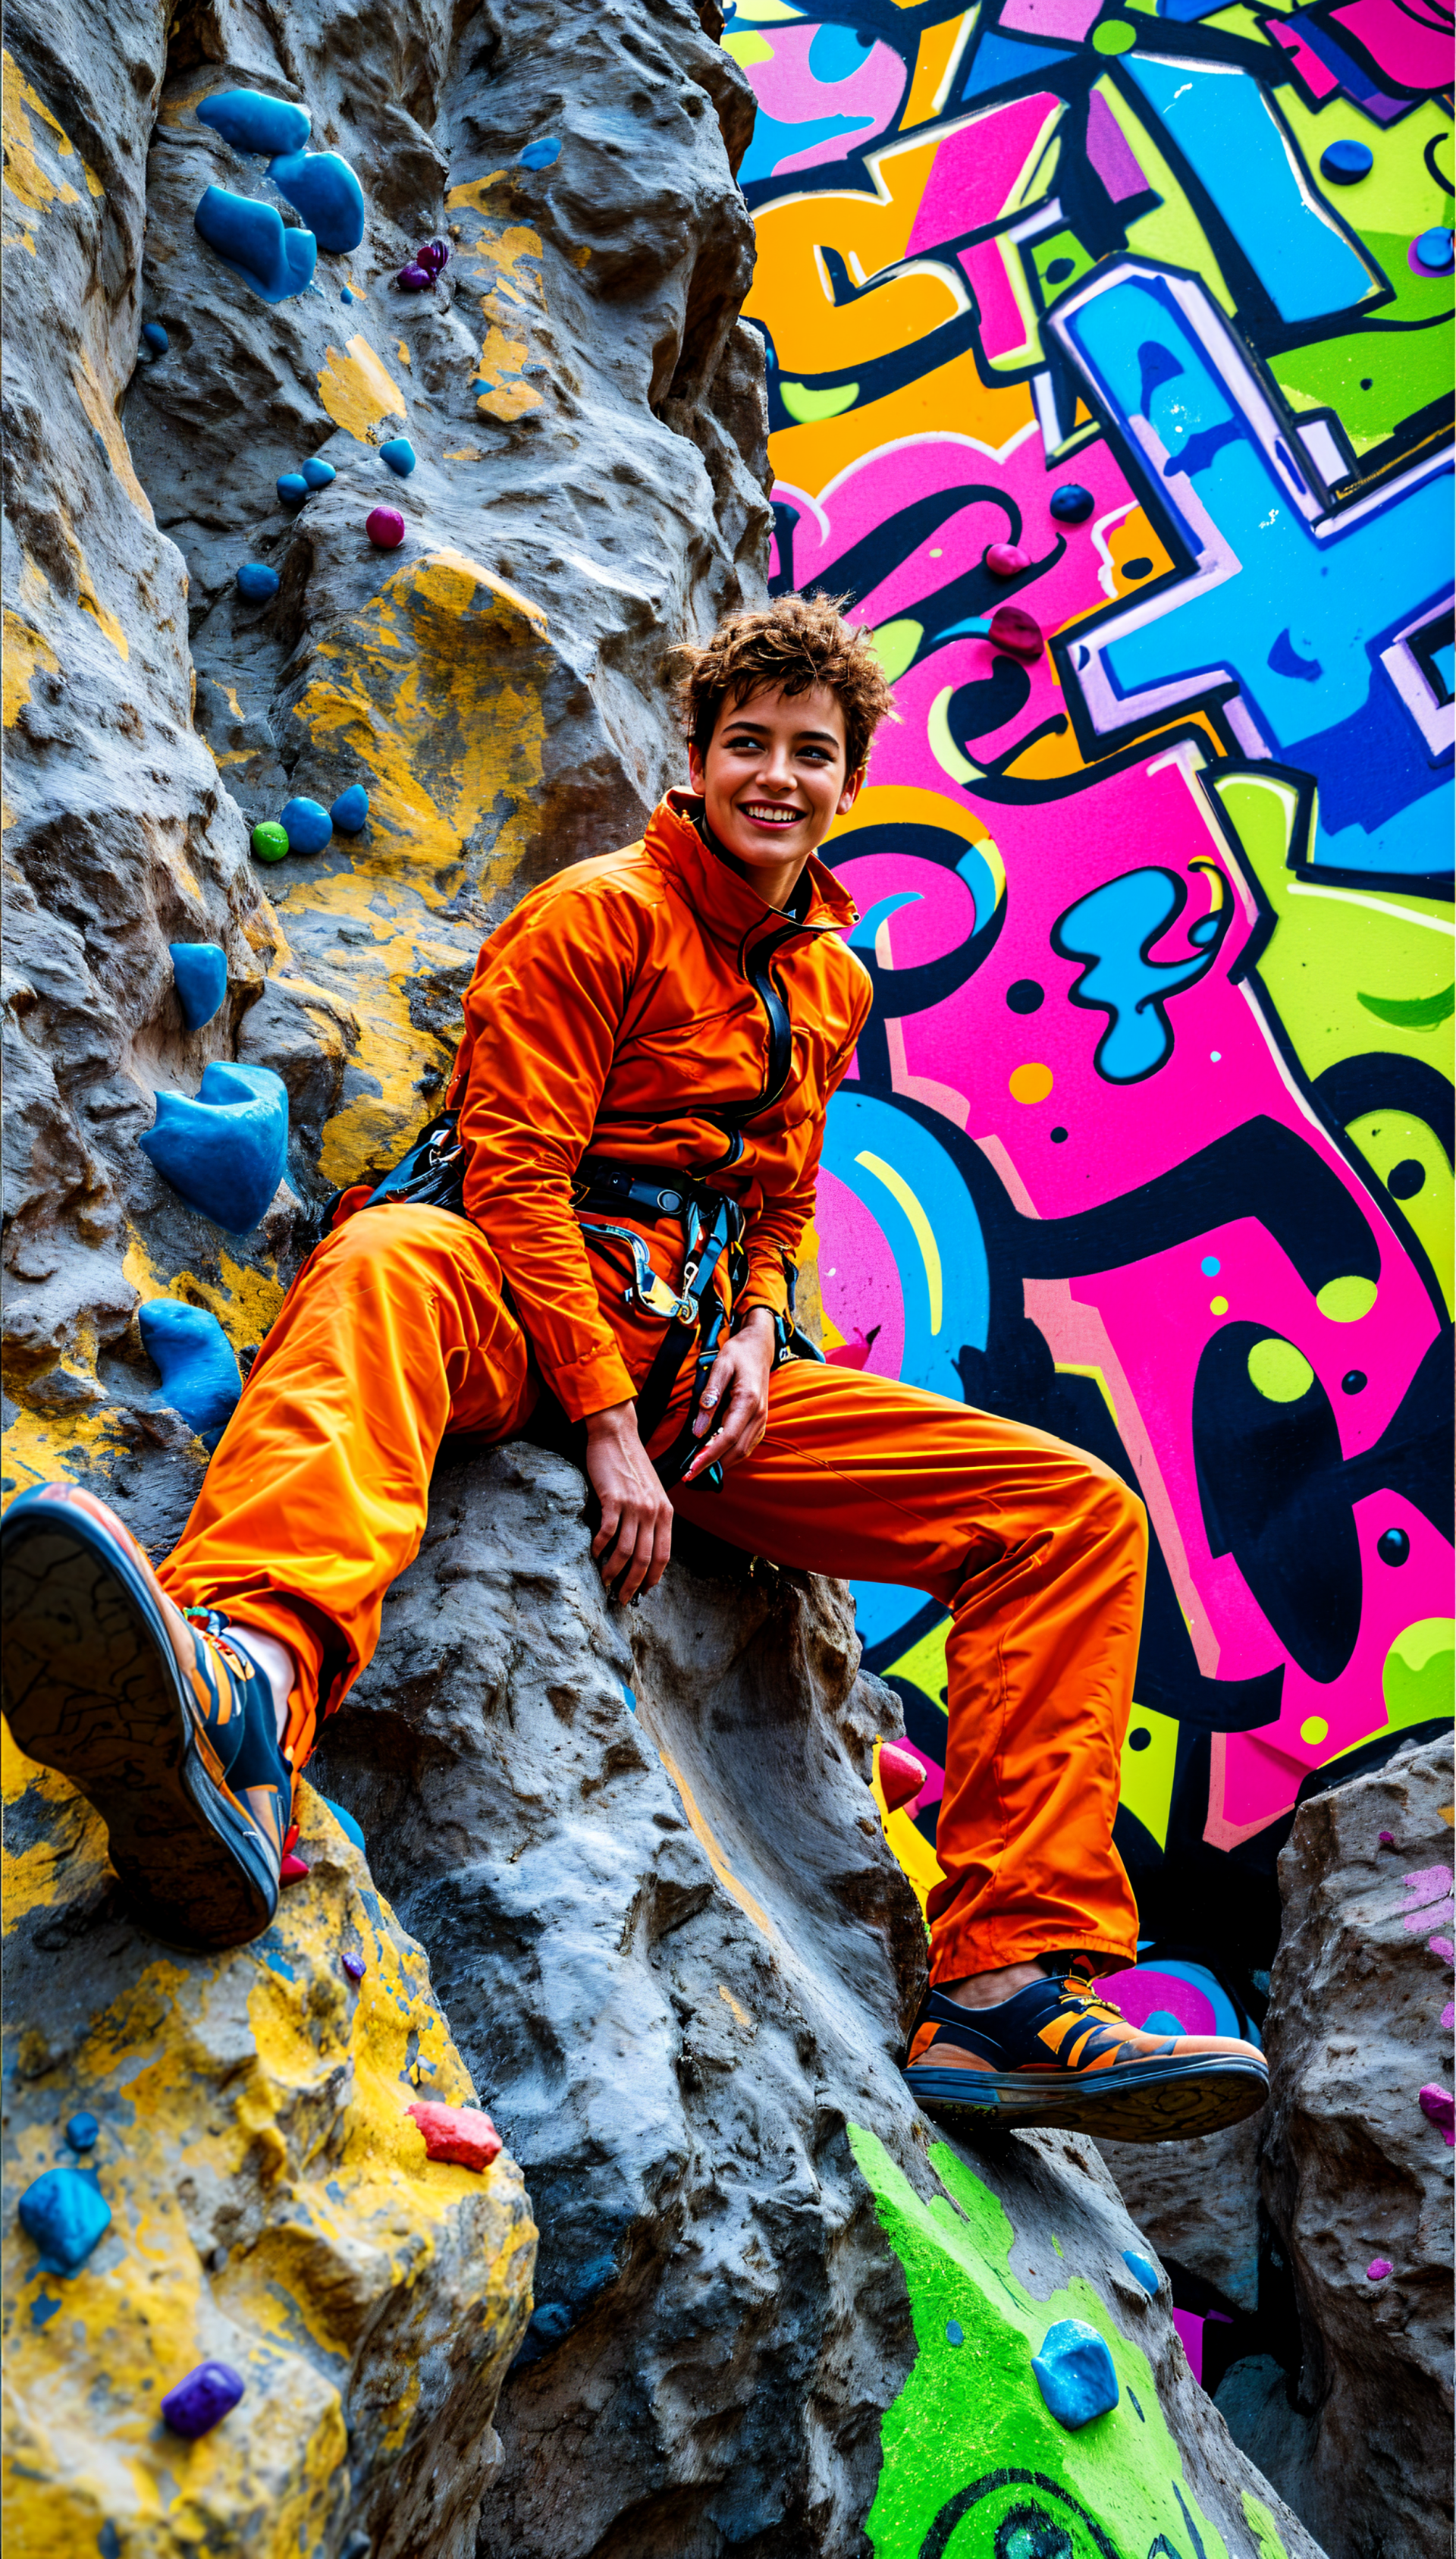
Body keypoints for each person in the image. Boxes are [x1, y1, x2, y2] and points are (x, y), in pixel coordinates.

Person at [2, 595, 1266, 2141]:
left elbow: (784, 1195)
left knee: (1069, 1513)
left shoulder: (832, 981)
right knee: (380, 1265)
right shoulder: (595, 914)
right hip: (503, 1288)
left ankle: (1006, 1989)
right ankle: (239, 1696)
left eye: (812, 753)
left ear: (850, 780)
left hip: (695, 1361)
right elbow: (515, 1173)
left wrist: (755, 1321)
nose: (778, 777)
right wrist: (606, 1430)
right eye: (750, 744)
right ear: (697, 754)